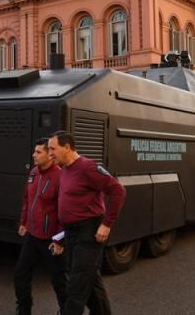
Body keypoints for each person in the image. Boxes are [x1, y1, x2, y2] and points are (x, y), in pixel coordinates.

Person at [48, 131, 126, 315]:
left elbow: (118, 191)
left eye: (53, 149)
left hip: (88, 232)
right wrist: (60, 238)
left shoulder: (87, 167)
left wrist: (107, 224)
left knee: (76, 285)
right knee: (90, 281)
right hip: (72, 232)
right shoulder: (64, 169)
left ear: (67, 147)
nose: (50, 153)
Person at [14, 138, 67, 315]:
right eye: (34, 151)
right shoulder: (34, 172)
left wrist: (59, 239)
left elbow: (64, 212)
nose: (34, 155)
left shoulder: (60, 177)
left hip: (50, 239)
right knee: (20, 275)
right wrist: (23, 222)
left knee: (59, 280)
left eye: (38, 152)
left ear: (50, 155)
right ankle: (23, 310)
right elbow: (27, 200)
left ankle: (66, 310)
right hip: (32, 234)